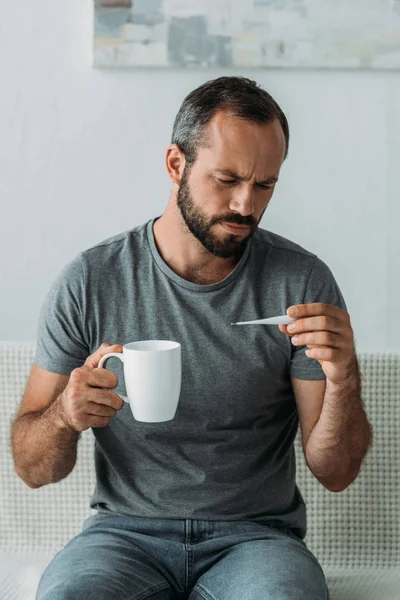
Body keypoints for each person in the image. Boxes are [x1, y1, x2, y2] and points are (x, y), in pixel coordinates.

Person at [11, 76, 372, 600]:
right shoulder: (90, 281)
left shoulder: (302, 283)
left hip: (258, 539)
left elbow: (335, 473)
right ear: (176, 165)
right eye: (227, 179)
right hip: (123, 535)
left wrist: (344, 378)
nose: (246, 206)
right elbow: (32, 469)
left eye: (265, 185)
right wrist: (65, 415)